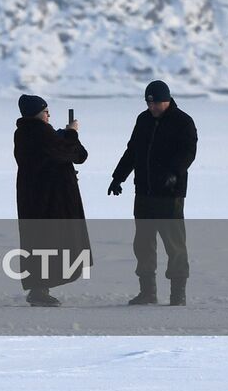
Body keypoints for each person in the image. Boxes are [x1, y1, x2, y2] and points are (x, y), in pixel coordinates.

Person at [107, 80, 198, 306]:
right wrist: (118, 177)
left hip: (169, 195)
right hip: (144, 193)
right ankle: (148, 292)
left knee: (174, 245)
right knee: (143, 244)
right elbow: (133, 151)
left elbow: (188, 152)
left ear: (167, 99)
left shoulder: (183, 122)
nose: (152, 108)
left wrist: (174, 173)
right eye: (149, 103)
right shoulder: (144, 120)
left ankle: (178, 294)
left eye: (156, 103)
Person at [13, 94, 91, 307]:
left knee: (38, 242)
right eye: (46, 111)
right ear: (39, 113)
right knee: (49, 242)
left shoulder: (24, 133)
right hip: (49, 200)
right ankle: (39, 291)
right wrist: (72, 134)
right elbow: (74, 154)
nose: (49, 115)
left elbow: (70, 154)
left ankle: (39, 288)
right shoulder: (41, 132)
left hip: (35, 199)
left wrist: (65, 136)